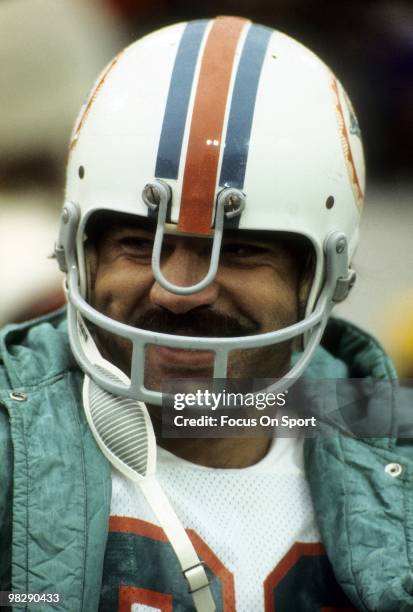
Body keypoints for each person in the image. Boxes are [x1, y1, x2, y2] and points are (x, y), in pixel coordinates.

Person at [1, 15, 412, 612]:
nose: (179, 293)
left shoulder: (383, 427)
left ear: (322, 274)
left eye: (241, 251)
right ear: (77, 252)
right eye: (139, 244)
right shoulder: (12, 441)